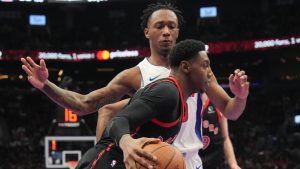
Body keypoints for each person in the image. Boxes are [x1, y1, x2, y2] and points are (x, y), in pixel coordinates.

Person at [21, 3, 249, 169]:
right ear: (147, 32)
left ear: (178, 31)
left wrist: (239, 97)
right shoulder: (135, 75)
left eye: (172, 26)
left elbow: (231, 111)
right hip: (152, 161)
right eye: (159, 26)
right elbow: (87, 103)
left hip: (191, 162)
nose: (167, 32)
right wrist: (46, 85)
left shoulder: (196, 70)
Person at [77, 39, 213, 169]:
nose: (210, 73)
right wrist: (126, 141)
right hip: (105, 161)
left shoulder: (177, 99)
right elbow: (118, 120)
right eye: (205, 65)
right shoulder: (168, 91)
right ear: (185, 67)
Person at [199, 93, 240, 169]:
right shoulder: (185, 103)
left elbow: (225, 137)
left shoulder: (217, 101)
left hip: (215, 162)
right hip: (191, 162)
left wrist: (233, 164)